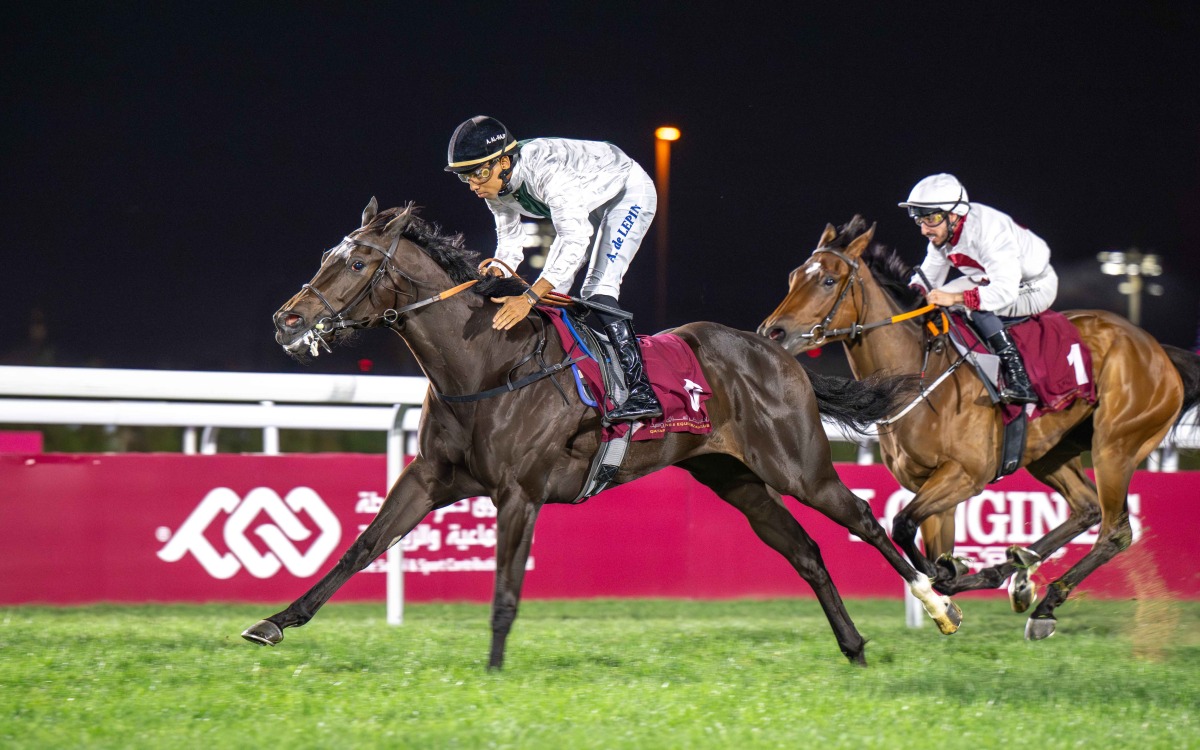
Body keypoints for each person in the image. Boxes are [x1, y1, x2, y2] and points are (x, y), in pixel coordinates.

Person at [444, 115, 662, 422]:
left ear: (504, 162)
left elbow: (575, 240)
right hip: (586, 199)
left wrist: (528, 298)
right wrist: (495, 275)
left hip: (626, 192)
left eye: (478, 173)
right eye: (465, 177)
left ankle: (641, 391)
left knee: (597, 291)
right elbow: (509, 243)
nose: (473, 185)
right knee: (553, 297)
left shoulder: (546, 172)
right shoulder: (492, 186)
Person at [899, 173, 1057, 405]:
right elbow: (925, 281)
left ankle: (1019, 379)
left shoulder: (988, 232)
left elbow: (1005, 291)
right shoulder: (945, 234)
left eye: (930, 219)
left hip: (1034, 285)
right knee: (934, 300)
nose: (924, 230)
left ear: (953, 214)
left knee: (973, 306)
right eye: (919, 220)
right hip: (990, 279)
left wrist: (954, 298)